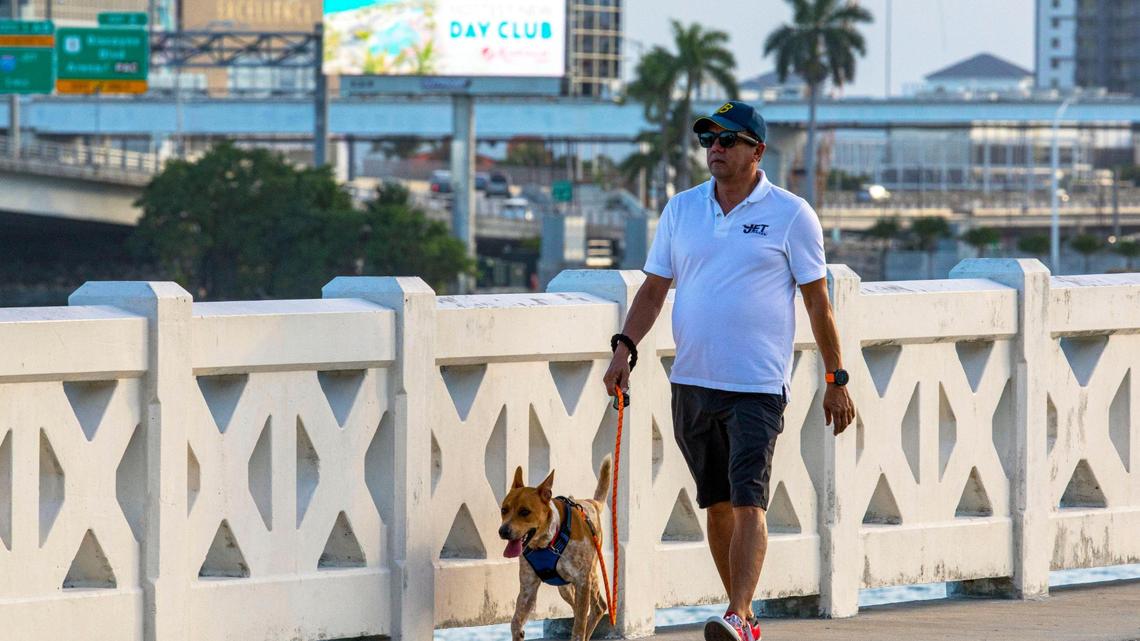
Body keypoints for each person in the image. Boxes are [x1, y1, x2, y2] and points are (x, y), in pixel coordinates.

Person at [603, 101, 855, 641]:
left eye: (727, 139)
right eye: (708, 140)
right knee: (716, 504)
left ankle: (738, 614)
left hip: (757, 386)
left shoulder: (792, 214)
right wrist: (624, 347)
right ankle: (741, 615)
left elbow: (818, 304)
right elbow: (653, 290)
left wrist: (836, 379)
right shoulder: (681, 210)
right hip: (691, 381)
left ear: (756, 151)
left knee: (747, 501)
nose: (714, 148)